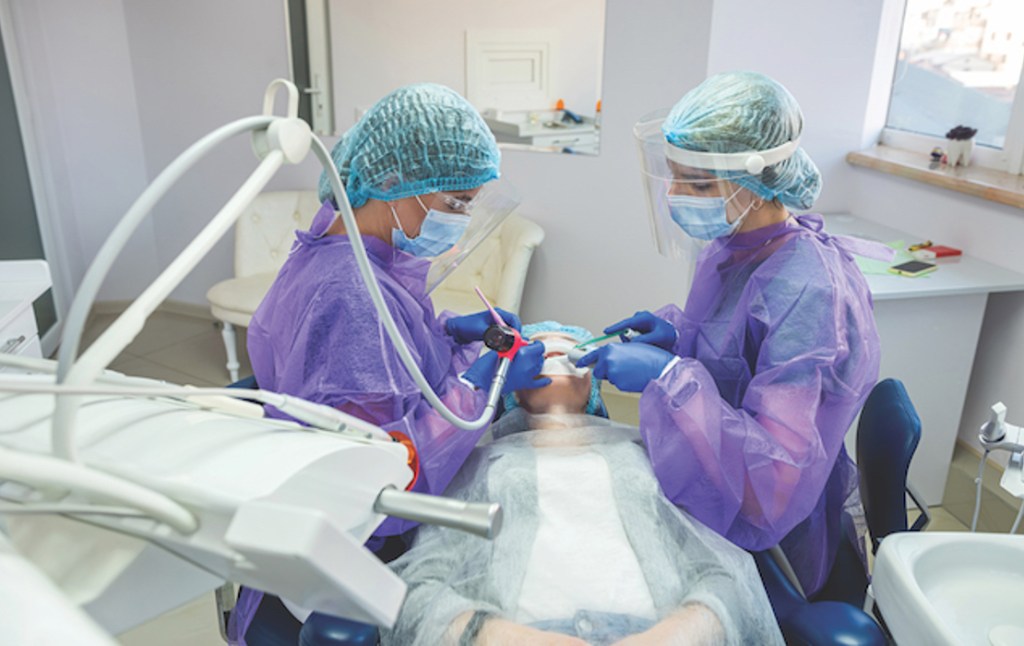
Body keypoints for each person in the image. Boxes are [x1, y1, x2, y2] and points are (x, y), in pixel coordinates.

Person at [234, 84, 549, 643]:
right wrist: (483, 386)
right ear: (389, 183)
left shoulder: (351, 254)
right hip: (362, 538)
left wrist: (451, 331)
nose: (461, 218)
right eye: (455, 203)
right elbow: (386, 475)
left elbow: (390, 356)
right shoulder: (350, 291)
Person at [578, 71, 892, 598]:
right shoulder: (736, 244)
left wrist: (672, 376)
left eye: (697, 184)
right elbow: (734, 351)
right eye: (674, 178)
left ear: (754, 182)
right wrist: (676, 337)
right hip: (715, 481)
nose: (676, 196)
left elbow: (774, 477)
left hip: (768, 540)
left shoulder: (810, 291)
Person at [382, 322, 784, 646]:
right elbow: (419, 588)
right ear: (510, 385)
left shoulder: (648, 455)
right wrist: (505, 637)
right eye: (537, 347)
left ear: (594, 382)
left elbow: (725, 575)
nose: (554, 349)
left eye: (567, 346)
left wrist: (675, 634)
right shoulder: (476, 467)